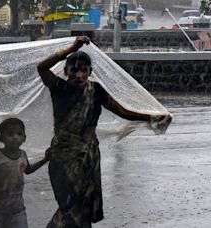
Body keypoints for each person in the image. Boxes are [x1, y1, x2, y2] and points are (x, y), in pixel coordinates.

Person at [37, 36, 172, 228]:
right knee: (69, 207)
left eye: (84, 70)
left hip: (89, 158)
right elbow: (41, 68)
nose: (79, 75)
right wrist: (70, 49)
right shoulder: (59, 88)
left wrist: (151, 117)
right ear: (66, 71)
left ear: (90, 72)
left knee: (84, 208)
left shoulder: (96, 91)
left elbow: (123, 111)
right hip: (63, 158)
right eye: (74, 69)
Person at [0, 118, 49, 228]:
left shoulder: (23, 155)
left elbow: (28, 170)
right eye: (10, 134)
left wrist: (45, 160)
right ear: (1, 138)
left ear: (24, 138)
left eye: (19, 134)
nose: (15, 137)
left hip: (17, 209)